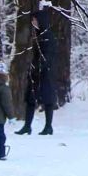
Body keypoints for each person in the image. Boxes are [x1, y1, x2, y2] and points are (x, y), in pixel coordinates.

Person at [18, 7, 61, 136]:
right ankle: (27, 126)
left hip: (45, 73)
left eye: (35, 20)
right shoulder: (39, 35)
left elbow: (47, 56)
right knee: (30, 98)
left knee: (47, 99)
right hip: (36, 72)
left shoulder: (47, 37)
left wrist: (40, 67)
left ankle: (48, 126)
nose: (33, 22)